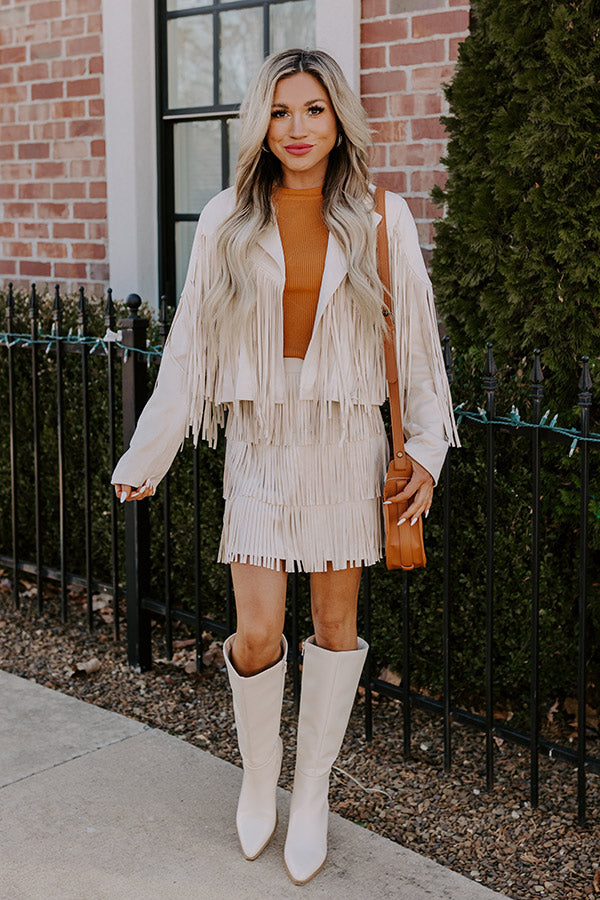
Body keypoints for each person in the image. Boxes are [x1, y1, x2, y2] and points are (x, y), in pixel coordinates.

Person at [112, 48, 458, 885]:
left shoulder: (382, 215)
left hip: (346, 444)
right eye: (279, 112)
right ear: (259, 126)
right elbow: (189, 352)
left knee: (335, 630)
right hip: (261, 444)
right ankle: (260, 775)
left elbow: (415, 342)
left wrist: (427, 453)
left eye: (312, 110)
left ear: (338, 118)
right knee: (259, 632)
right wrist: (148, 449)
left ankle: (311, 795)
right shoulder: (228, 217)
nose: (296, 128)